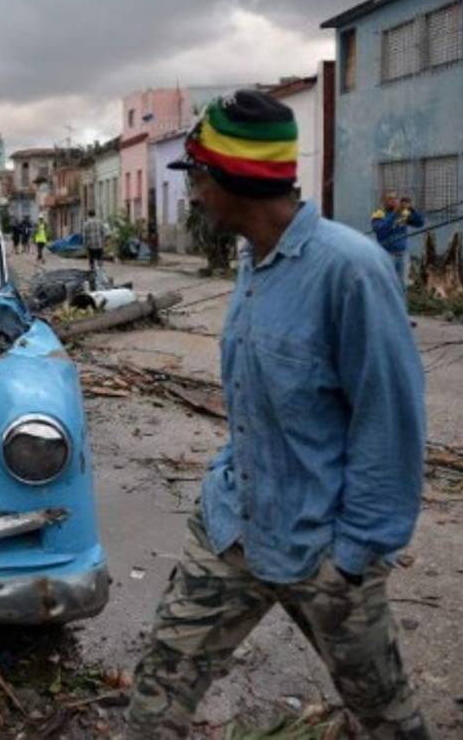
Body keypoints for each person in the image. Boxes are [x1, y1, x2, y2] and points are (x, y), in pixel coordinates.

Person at [127, 90, 428, 740]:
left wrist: (350, 559)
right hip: (234, 529)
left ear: (235, 179)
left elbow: (391, 426)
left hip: (324, 549)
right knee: (155, 702)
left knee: (388, 721)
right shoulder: (252, 263)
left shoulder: (351, 273)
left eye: (199, 177)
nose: (195, 194)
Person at [371, 192, 425, 295]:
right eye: (390, 198)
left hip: (402, 254)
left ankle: (401, 309)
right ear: (384, 201)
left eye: (396, 198)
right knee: (386, 285)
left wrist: (411, 208)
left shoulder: (403, 213)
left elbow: (420, 223)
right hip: (386, 255)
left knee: (402, 285)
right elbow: (381, 230)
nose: (394, 201)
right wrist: (395, 213)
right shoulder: (378, 214)